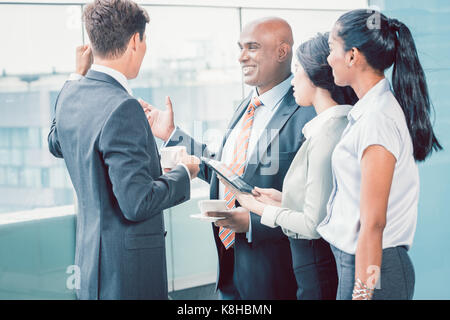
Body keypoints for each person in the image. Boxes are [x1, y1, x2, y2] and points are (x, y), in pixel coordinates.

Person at [140, 17, 316, 299]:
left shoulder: (308, 111)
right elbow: (228, 171)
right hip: (231, 272)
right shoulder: (247, 105)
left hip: (277, 277)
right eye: (240, 47)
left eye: (252, 47)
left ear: (283, 52)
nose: (241, 57)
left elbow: (319, 208)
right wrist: (172, 133)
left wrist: (252, 223)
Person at [48, 0, 199, 300]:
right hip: (128, 274)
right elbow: (137, 202)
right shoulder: (122, 106)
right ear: (134, 41)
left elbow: (56, 141)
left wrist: (76, 76)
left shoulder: (73, 93)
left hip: (91, 268)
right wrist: (185, 172)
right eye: (144, 41)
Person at [316, 9, 442, 300]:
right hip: (364, 262)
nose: (328, 58)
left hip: (376, 270)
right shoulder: (370, 112)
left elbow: (373, 224)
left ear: (352, 56)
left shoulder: (377, 120)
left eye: (332, 48)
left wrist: (362, 293)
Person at [220, 32, 358, 299]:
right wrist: (283, 201)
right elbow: (327, 205)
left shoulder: (326, 134)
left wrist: (257, 208)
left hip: (316, 272)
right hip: (309, 270)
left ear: (317, 76)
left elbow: (313, 223)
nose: (293, 80)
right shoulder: (330, 128)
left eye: (298, 71)